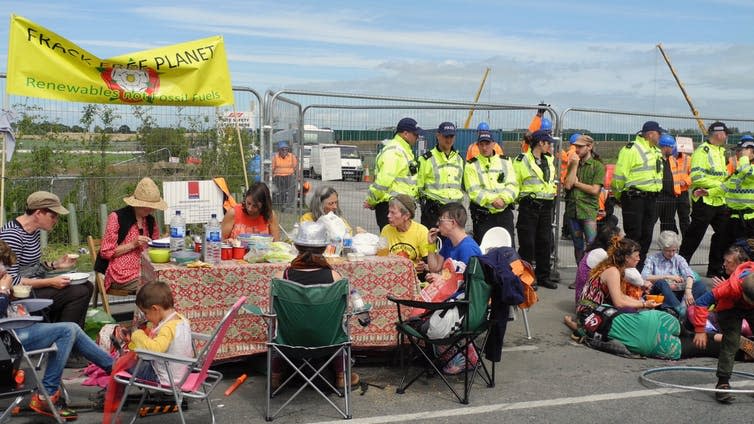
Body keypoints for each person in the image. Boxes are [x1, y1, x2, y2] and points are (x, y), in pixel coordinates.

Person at [0, 241, 113, 421]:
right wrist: (4, 290)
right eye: (3, 265)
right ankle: (47, 394)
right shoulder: (2, 285)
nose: (6, 270)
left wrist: (12, 294)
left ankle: (113, 368)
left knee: (71, 329)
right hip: (7, 340)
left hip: (15, 328)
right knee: (66, 331)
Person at [270, 221, 359, 389]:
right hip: (327, 341)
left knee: (277, 325)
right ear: (324, 248)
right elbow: (345, 313)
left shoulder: (281, 277)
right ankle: (341, 375)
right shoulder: (336, 278)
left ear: (296, 246)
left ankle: (275, 376)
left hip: (290, 342)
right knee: (341, 325)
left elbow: (273, 313)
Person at [0, 192, 92, 331]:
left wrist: (56, 265)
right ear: (38, 213)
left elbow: (32, 267)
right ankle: (63, 335)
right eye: (53, 216)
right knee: (79, 291)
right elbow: (11, 280)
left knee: (88, 286)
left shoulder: (33, 231)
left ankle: (66, 335)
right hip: (17, 294)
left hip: (31, 287)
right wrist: (49, 282)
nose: (56, 220)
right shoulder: (13, 235)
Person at [690, 262, 754, 403]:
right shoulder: (728, 288)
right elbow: (701, 302)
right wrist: (700, 330)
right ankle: (723, 383)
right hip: (730, 308)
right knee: (731, 342)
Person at [680, 122, 731, 278]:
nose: (726, 136)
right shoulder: (703, 151)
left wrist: (719, 187)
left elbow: (721, 175)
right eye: (725, 133)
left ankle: (714, 268)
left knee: (723, 234)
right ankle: (680, 265)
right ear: (718, 134)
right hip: (704, 200)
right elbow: (697, 177)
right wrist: (719, 185)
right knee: (694, 235)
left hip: (719, 200)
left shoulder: (721, 151)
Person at [611, 121, 664, 271]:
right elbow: (619, 176)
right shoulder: (631, 149)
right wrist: (619, 195)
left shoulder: (656, 151)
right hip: (634, 198)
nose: (660, 136)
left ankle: (638, 270)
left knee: (646, 236)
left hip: (651, 198)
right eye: (659, 133)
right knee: (635, 235)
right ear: (650, 134)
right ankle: (624, 268)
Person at [99, 177, 166, 291]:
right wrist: (133, 244)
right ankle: (148, 308)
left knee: (166, 282)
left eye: (153, 207)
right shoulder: (117, 217)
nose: (151, 209)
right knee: (153, 288)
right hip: (122, 273)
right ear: (137, 204)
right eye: (148, 206)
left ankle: (153, 308)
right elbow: (106, 252)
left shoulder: (150, 220)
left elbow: (154, 246)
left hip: (147, 267)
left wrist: (163, 242)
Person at [124, 281, 193, 386]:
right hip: (182, 373)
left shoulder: (167, 328)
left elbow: (154, 349)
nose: (146, 317)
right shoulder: (181, 320)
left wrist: (137, 335)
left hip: (164, 377)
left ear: (155, 309)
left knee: (125, 365)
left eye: (146, 313)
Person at [576, 237, 659, 321]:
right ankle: (579, 328)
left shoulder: (617, 269)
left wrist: (644, 304)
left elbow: (621, 296)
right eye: (636, 256)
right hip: (589, 314)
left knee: (632, 311)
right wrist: (643, 305)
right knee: (632, 316)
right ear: (627, 257)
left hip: (594, 310)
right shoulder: (613, 271)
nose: (639, 259)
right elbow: (618, 302)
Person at [513, 130, 557, 289]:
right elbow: (515, 181)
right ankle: (526, 277)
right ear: (540, 143)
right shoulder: (522, 160)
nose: (550, 146)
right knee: (527, 244)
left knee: (545, 242)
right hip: (529, 206)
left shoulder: (549, 160)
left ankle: (543, 275)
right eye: (548, 143)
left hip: (546, 205)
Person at [364, 117, 421, 230]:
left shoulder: (403, 150)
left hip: (400, 206)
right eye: (415, 134)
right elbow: (383, 182)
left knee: (400, 244)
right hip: (391, 208)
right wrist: (371, 200)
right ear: (405, 134)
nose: (417, 137)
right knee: (391, 244)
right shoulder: (394, 151)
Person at [463, 131, 519, 244]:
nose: (484, 147)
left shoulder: (506, 161)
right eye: (481, 144)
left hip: (504, 213)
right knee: (484, 250)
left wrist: (503, 199)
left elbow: (513, 185)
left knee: (507, 248)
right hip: (483, 215)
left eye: (487, 144)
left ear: (493, 144)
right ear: (477, 145)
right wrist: (493, 201)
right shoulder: (471, 165)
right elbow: (473, 191)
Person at [641, 231, 708, 316]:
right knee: (661, 282)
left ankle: (682, 308)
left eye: (674, 250)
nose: (672, 253)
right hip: (661, 294)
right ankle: (680, 309)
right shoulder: (653, 259)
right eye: (668, 251)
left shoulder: (679, 259)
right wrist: (668, 277)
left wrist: (688, 290)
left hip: (678, 291)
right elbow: (644, 276)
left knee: (700, 284)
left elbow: (689, 274)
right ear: (662, 248)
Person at [563, 134, 605, 264]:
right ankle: (580, 276)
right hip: (573, 210)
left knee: (592, 244)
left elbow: (594, 190)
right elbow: (567, 185)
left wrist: (577, 183)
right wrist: (574, 165)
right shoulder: (574, 163)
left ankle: (592, 276)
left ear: (589, 147)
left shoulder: (597, 166)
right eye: (576, 146)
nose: (576, 149)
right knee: (578, 245)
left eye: (580, 147)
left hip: (588, 211)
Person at [417, 122, 464, 229]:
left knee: (454, 245)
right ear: (438, 136)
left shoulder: (459, 159)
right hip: (434, 212)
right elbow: (418, 187)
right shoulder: (425, 159)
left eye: (451, 136)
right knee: (431, 244)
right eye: (445, 136)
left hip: (454, 210)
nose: (448, 140)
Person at [425, 202, 482, 275]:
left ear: (452, 223)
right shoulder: (449, 241)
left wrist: (440, 279)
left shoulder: (467, 249)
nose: (437, 224)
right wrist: (431, 245)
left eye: (440, 221)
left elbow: (465, 283)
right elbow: (434, 268)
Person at [380, 195, 429, 275]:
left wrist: (424, 266)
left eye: (393, 213)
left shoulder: (422, 231)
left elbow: (429, 259)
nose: (388, 216)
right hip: (392, 275)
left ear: (406, 216)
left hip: (416, 277)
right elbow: (381, 258)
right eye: (389, 212)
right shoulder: (386, 230)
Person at [569, 222, 621, 295]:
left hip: (585, 295)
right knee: (614, 273)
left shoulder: (596, 250)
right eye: (619, 241)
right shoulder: (601, 254)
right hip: (589, 299)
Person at [656, 133, 691, 234]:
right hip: (670, 192)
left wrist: (685, 182)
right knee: (668, 218)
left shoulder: (687, 159)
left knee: (684, 217)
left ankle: (686, 239)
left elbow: (694, 174)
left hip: (682, 192)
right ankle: (671, 237)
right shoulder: (667, 158)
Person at [724, 138, 754, 244]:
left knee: (746, 251)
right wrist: (708, 192)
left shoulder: (747, 168)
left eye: (740, 150)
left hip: (748, 219)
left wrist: (745, 157)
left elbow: (747, 172)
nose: (738, 153)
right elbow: (726, 186)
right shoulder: (741, 167)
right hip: (734, 217)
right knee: (722, 246)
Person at [271, 140, 298, 209]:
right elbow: (272, 169)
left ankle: (289, 204)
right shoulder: (275, 157)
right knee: (281, 187)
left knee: (292, 186)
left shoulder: (292, 157)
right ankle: (281, 203)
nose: (284, 151)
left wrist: (298, 176)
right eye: (282, 149)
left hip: (289, 175)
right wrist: (271, 176)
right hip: (278, 176)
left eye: (286, 149)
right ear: (279, 150)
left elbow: (296, 168)